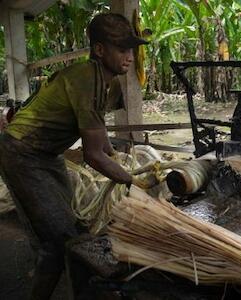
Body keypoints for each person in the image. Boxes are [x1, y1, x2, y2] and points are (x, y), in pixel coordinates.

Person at [0, 13, 148, 300]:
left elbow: (98, 132)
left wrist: (114, 156)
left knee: (73, 227)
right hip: (21, 153)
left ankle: (78, 287)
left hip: (46, 155)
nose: (129, 57)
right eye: (121, 49)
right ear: (100, 50)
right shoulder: (84, 78)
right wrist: (136, 182)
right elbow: (93, 156)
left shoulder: (110, 82)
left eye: (131, 49)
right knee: (58, 242)